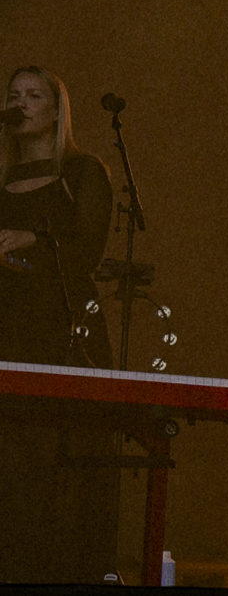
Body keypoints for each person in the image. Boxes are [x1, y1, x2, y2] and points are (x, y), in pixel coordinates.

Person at [0, 65, 118, 584]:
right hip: (8, 327)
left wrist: (32, 243)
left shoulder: (82, 172)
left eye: (33, 95)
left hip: (63, 331)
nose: (21, 104)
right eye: (13, 95)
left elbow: (87, 253)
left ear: (55, 110)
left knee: (57, 468)